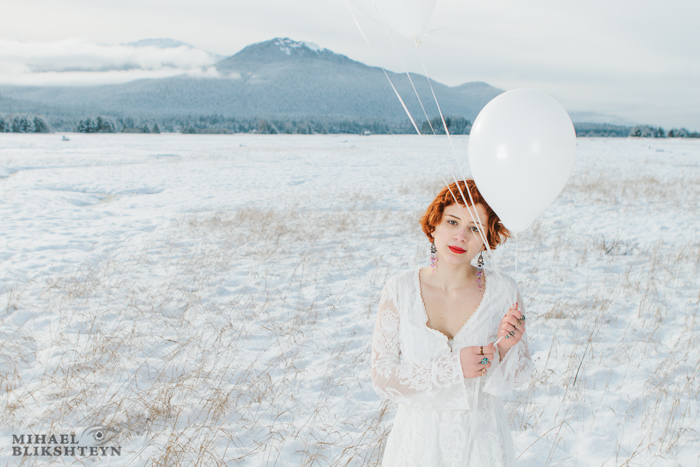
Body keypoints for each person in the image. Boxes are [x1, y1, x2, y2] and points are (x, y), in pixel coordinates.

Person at [371, 180, 533, 466]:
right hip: (415, 447)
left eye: (474, 228)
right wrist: (452, 368)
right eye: (452, 222)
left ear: (486, 239)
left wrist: (506, 347)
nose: (460, 236)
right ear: (433, 225)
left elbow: (517, 378)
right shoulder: (399, 289)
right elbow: (382, 378)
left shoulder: (504, 291)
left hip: (481, 446)